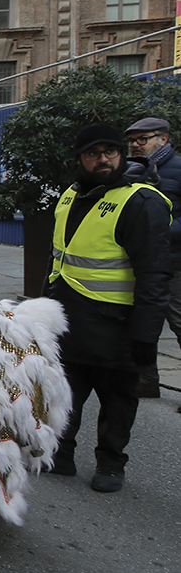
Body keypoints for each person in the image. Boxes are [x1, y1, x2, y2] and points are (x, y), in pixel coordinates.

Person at [46, 123, 172, 493]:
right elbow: (59, 259)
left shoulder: (140, 202)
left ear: (121, 154)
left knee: (117, 399)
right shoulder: (69, 195)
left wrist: (147, 336)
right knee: (65, 392)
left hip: (118, 326)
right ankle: (61, 453)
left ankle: (111, 462)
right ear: (80, 159)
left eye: (110, 152)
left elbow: (154, 275)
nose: (103, 159)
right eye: (93, 153)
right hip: (69, 318)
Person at [126, 117, 181, 363]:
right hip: (140, 263)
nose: (135, 145)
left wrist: (160, 232)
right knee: (143, 324)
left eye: (142, 139)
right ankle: (146, 380)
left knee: (178, 320)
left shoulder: (178, 168)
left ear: (163, 139)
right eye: (131, 141)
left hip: (174, 263)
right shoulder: (130, 171)